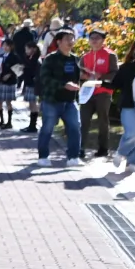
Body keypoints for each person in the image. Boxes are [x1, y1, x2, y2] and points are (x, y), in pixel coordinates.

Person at [39, 28, 87, 166]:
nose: (70, 42)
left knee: (74, 126)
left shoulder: (75, 59)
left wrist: (86, 79)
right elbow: (45, 78)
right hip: (52, 101)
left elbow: (78, 77)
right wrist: (64, 85)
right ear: (59, 42)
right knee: (47, 128)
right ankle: (43, 156)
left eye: (72, 39)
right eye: (67, 39)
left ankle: (73, 157)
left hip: (70, 101)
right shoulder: (50, 59)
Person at [113, 36, 135, 178]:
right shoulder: (126, 67)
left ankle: (132, 162)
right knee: (134, 132)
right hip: (129, 104)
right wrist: (97, 83)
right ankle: (121, 152)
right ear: (133, 50)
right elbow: (115, 84)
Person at [82, 29, 117, 160]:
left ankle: (103, 148)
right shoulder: (85, 56)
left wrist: (101, 77)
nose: (94, 40)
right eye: (91, 38)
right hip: (87, 92)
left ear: (103, 40)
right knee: (84, 120)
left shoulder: (110, 55)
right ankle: (80, 148)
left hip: (103, 92)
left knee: (103, 120)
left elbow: (115, 73)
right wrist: (83, 75)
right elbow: (79, 74)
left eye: (97, 38)